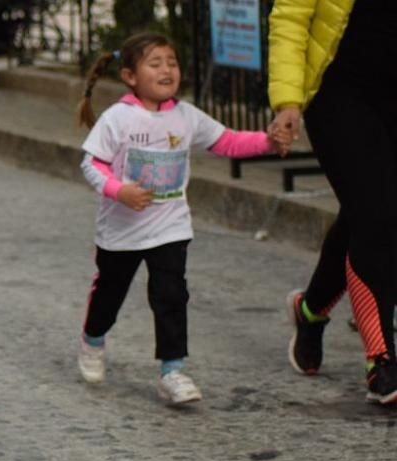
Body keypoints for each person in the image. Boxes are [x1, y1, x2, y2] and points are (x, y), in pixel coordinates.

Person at [76, 32, 285, 405]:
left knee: (171, 295)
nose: (166, 70)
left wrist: (268, 142)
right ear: (129, 75)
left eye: (171, 63)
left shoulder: (186, 116)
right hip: (121, 232)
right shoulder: (118, 119)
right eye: (154, 64)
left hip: (170, 227)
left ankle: (172, 370)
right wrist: (118, 191)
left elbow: (228, 141)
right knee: (110, 293)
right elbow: (92, 163)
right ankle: (93, 340)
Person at [269, 1, 397, 405]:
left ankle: (309, 312)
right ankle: (381, 359)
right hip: (338, 92)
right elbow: (290, 18)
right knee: (376, 215)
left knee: (369, 212)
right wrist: (287, 100)